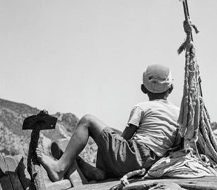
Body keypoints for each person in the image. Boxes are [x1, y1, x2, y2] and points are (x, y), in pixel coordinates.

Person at [38, 64, 180, 182]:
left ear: (143, 88)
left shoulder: (142, 108)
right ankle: (100, 173)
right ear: (171, 88)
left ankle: (59, 168)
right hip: (152, 163)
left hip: (135, 157)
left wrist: (107, 145)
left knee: (88, 121)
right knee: (109, 138)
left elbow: (125, 138)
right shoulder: (178, 113)